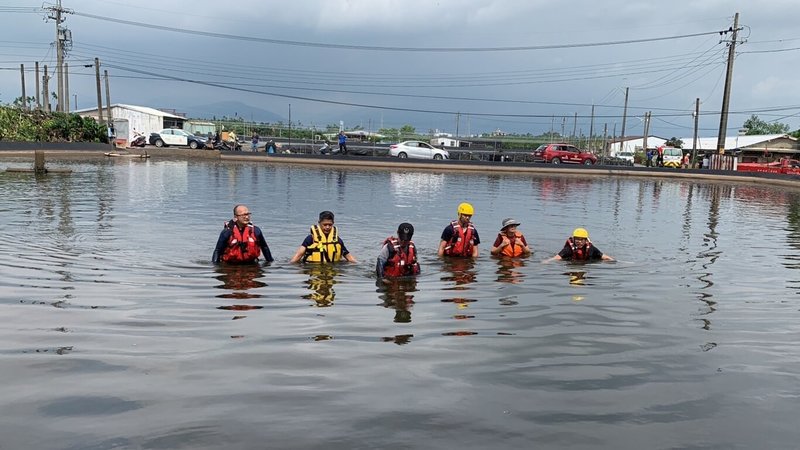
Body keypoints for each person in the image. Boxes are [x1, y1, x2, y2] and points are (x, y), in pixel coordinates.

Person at [289, 210, 357, 263]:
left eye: (330, 225)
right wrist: (289, 266)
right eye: (325, 224)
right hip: (314, 268)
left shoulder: (337, 240)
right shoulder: (310, 239)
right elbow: (298, 255)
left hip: (332, 268)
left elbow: (349, 257)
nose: (327, 227)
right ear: (319, 223)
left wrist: (358, 265)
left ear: (333, 223)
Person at [545, 227, 614, 262]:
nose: (579, 242)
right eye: (577, 239)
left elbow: (605, 257)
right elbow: (556, 258)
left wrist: (616, 262)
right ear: (574, 239)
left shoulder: (591, 248)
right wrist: (546, 262)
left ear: (586, 240)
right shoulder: (568, 249)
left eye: (582, 239)